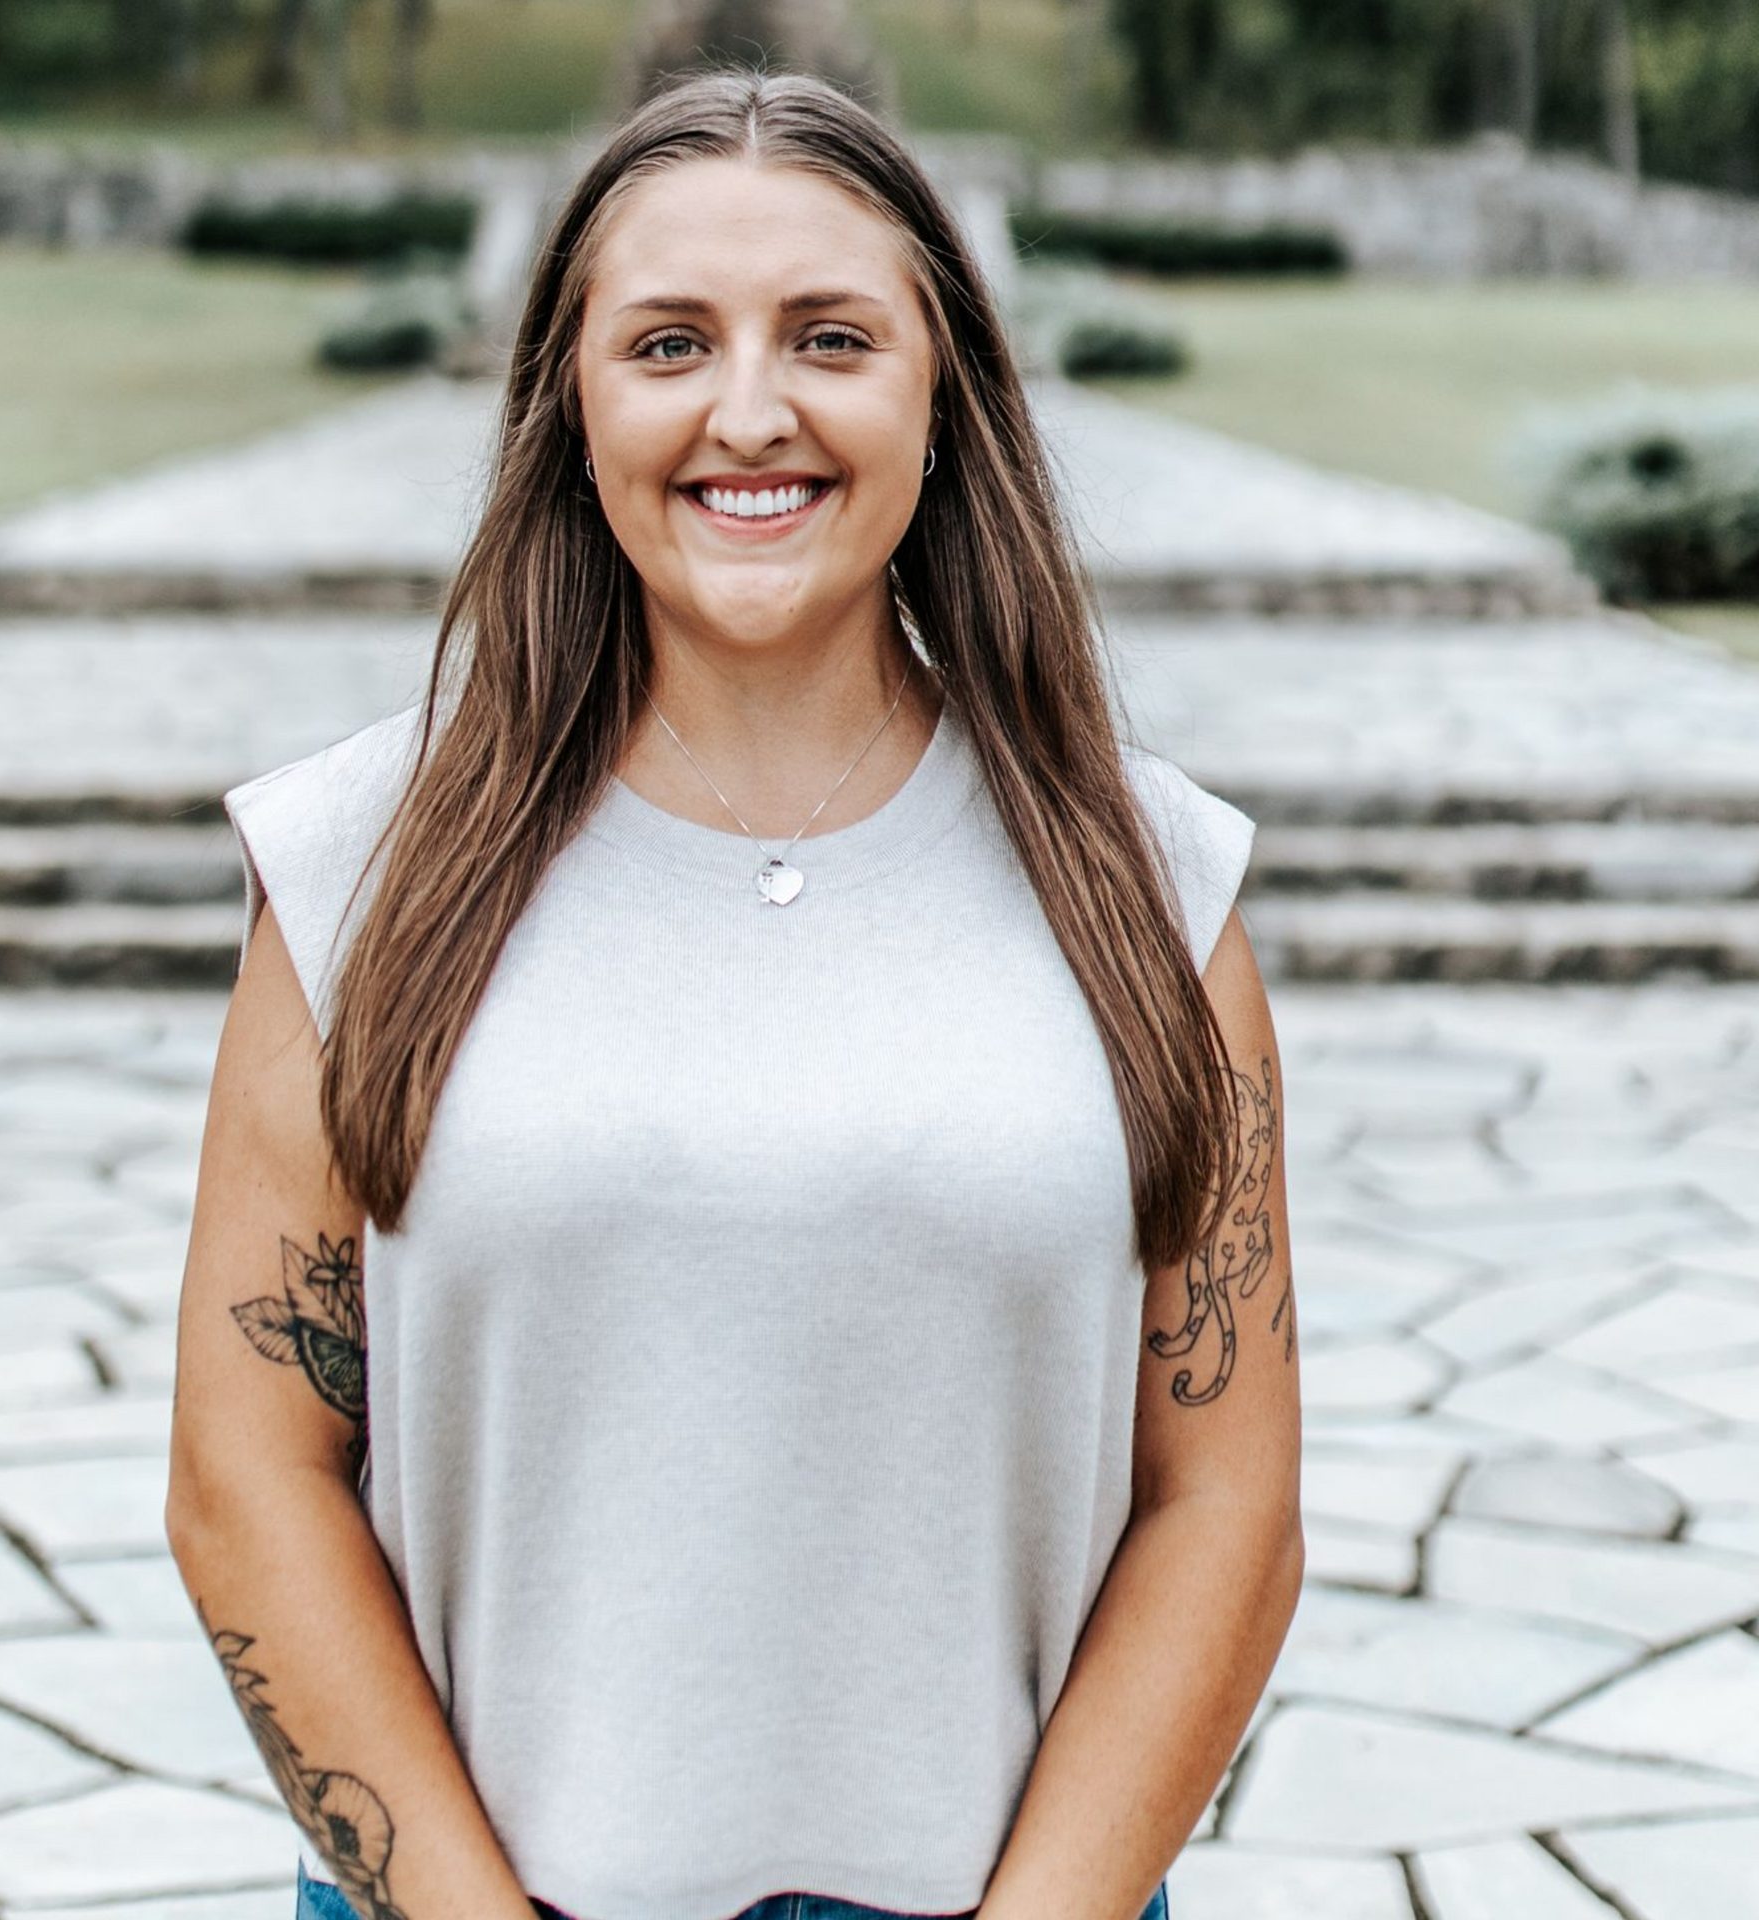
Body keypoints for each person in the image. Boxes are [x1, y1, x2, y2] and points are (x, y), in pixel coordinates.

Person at [166, 64, 1304, 1920]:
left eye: (832, 337)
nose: (751, 411)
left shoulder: (1151, 889)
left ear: (942, 395)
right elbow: (248, 1469)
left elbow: (1223, 1505)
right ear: (571, 403)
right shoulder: (357, 871)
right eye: (671, 341)